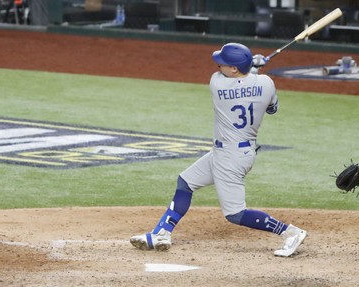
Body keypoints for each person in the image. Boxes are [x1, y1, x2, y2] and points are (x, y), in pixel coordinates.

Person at [130, 43, 307, 257]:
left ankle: (289, 232)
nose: (218, 65)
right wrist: (254, 72)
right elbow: (272, 108)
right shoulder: (267, 83)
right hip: (233, 152)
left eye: (222, 63)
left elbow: (235, 81)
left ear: (233, 69)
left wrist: (253, 67)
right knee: (185, 182)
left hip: (230, 158)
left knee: (235, 214)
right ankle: (161, 232)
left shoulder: (217, 85)